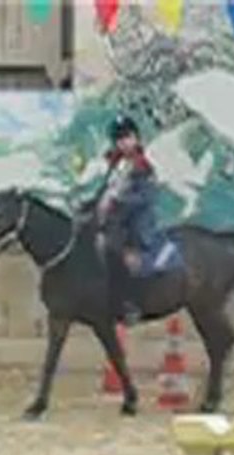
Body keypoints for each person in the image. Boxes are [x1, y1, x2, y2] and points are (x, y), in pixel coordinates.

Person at [96, 114, 162, 326]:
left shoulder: (143, 167)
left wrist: (118, 201)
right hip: (114, 220)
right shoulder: (114, 165)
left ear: (136, 138)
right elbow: (105, 190)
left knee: (122, 255)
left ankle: (130, 304)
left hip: (135, 221)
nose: (123, 143)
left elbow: (146, 197)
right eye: (119, 139)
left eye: (127, 137)